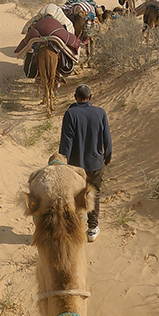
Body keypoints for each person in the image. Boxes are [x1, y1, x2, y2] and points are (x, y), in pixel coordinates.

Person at [59, 84, 112, 242]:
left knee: (75, 196)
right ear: (90, 97)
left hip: (76, 166)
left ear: (75, 97)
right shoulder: (100, 113)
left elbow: (66, 143)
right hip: (96, 163)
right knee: (93, 195)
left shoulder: (70, 114)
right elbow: (107, 138)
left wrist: (62, 163)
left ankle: (74, 228)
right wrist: (107, 156)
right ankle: (92, 228)